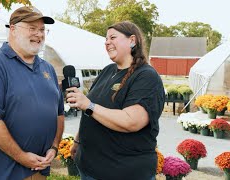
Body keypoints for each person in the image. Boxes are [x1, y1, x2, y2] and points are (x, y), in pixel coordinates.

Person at [0, 6, 64, 180]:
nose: (39, 34)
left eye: (42, 29)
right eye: (32, 28)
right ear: (13, 29)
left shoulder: (48, 68)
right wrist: (22, 157)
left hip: (39, 170)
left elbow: (59, 113)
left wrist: (54, 146)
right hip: (4, 173)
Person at [67, 21, 165, 180]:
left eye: (113, 37)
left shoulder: (146, 76)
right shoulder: (107, 71)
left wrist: (88, 105)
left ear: (132, 40)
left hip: (123, 172)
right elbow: (89, 113)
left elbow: (131, 121)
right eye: (106, 39)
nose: (107, 42)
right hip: (89, 168)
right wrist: (78, 140)